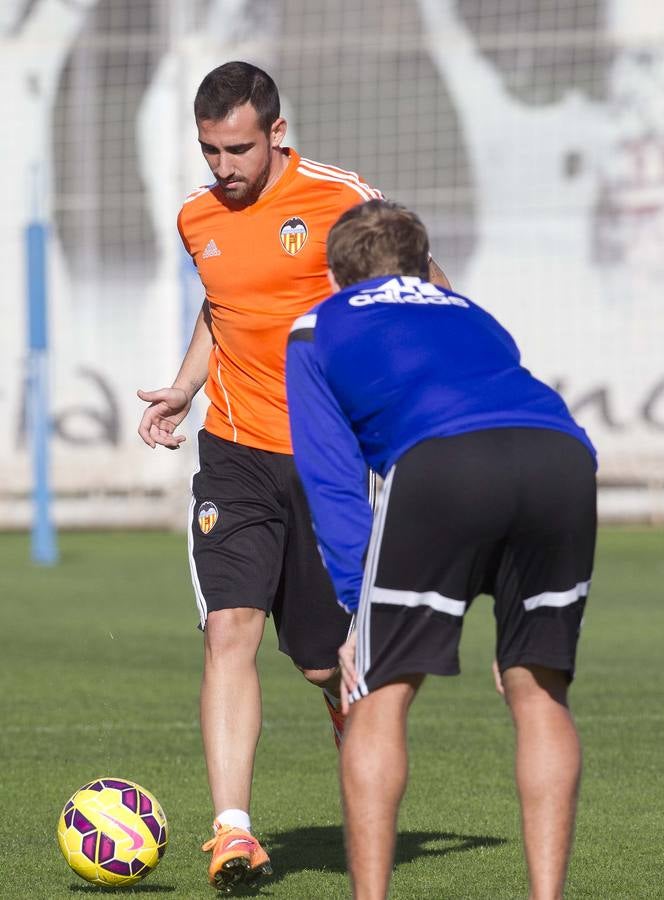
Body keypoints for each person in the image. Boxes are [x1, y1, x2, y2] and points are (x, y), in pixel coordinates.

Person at [136, 62, 449, 891]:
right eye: (209, 151)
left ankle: (363, 787)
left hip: (327, 459)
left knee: (322, 663)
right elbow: (221, 304)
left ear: (276, 133)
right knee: (228, 628)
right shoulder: (196, 216)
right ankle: (232, 833)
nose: (223, 168)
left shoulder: (339, 196)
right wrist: (186, 384)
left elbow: (425, 286)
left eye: (237, 148)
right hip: (233, 453)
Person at [285, 199, 597, 900]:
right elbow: (507, 422)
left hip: (441, 463)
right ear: (424, 266)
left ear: (335, 275)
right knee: (539, 690)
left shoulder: (315, 327)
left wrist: (354, 610)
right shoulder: (473, 315)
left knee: (379, 696)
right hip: (564, 459)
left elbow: (332, 483)